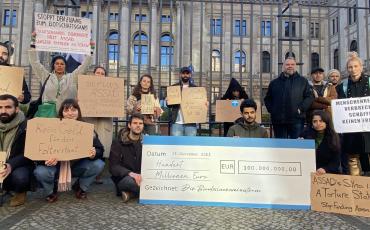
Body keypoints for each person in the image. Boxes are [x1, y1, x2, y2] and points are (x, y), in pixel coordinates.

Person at [33, 99, 105, 202]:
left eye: (74, 109)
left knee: (98, 164)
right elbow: (39, 151)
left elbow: (100, 150)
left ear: (78, 112)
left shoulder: (86, 129)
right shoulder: (50, 128)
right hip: (55, 167)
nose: (70, 113)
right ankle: (50, 191)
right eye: (66, 110)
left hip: (76, 166)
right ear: (61, 113)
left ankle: (81, 187)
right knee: (40, 171)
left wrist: (94, 153)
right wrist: (46, 159)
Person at [28, 33, 92, 111]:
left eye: (62, 64)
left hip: (67, 114)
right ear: (53, 65)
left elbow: (83, 67)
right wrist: (33, 44)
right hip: (48, 114)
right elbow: (35, 63)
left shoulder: (72, 77)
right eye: (57, 63)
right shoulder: (46, 76)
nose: (59, 66)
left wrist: (90, 51)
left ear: (65, 66)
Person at [336, 52, 370, 176]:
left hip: (368, 129)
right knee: (352, 159)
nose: (353, 69)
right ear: (347, 69)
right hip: (351, 130)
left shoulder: (369, 82)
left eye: (356, 66)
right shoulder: (342, 87)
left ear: (361, 67)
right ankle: (356, 188)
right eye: (350, 67)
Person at [264, 57, 313, 139]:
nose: (290, 66)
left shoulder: (303, 81)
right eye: (287, 64)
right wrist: (273, 110)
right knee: (280, 146)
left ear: (295, 66)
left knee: (296, 146)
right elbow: (267, 99)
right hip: (278, 121)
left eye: (292, 64)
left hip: (297, 120)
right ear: (283, 66)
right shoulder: (274, 83)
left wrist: (301, 108)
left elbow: (309, 97)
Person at [0, 94, 33, 206]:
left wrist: (10, 165)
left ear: (17, 109)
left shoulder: (27, 126)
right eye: (0, 107)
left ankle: (20, 192)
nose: (3, 111)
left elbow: (29, 153)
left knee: (20, 177)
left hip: (17, 165)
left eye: (8, 107)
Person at [83, 66, 113, 184]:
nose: (99, 75)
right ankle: (87, 173)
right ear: (93, 74)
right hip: (90, 120)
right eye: (97, 72)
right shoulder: (86, 87)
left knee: (103, 148)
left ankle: (98, 175)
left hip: (104, 121)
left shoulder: (111, 89)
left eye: (102, 73)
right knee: (89, 146)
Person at [109, 113, 144, 202]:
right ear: (129, 125)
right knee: (132, 182)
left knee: (155, 181)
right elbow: (113, 167)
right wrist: (130, 173)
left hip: (142, 176)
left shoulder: (146, 142)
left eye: (140, 123)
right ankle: (142, 193)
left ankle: (130, 194)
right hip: (125, 178)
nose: (138, 126)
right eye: (135, 123)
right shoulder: (118, 142)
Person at [299, 110, 340, 174]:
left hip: (327, 175)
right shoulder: (305, 135)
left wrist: (325, 169)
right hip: (308, 172)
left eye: (321, 121)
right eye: (315, 121)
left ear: (327, 122)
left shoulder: (334, 137)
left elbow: (336, 162)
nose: (318, 124)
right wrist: (297, 145)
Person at [167, 66, 204, 136]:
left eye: (187, 73)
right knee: (176, 144)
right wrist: (167, 101)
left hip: (191, 122)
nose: (185, 75)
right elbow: (169, 105)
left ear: (190, 75)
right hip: (177, 122)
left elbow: (199, 104)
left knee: (190, 144)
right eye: (183, 73)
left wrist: (204, 103)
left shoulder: (195, 88)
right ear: (180, 74)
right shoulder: (174, 87)